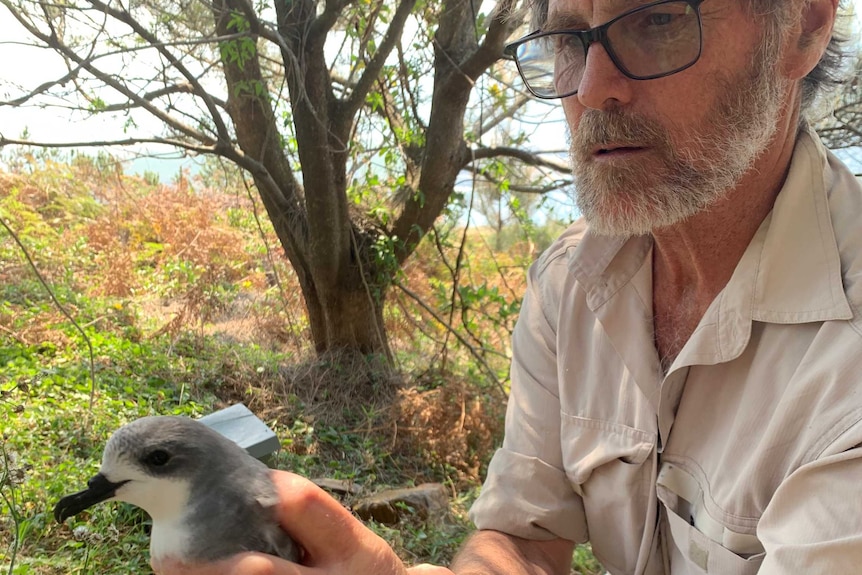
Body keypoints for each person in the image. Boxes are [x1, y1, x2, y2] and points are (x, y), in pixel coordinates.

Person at [156, 0, 861, 573]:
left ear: (803, 26)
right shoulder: (573, 284)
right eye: (568, 39)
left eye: (657, 21)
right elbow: (524, 539)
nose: (592, 89)